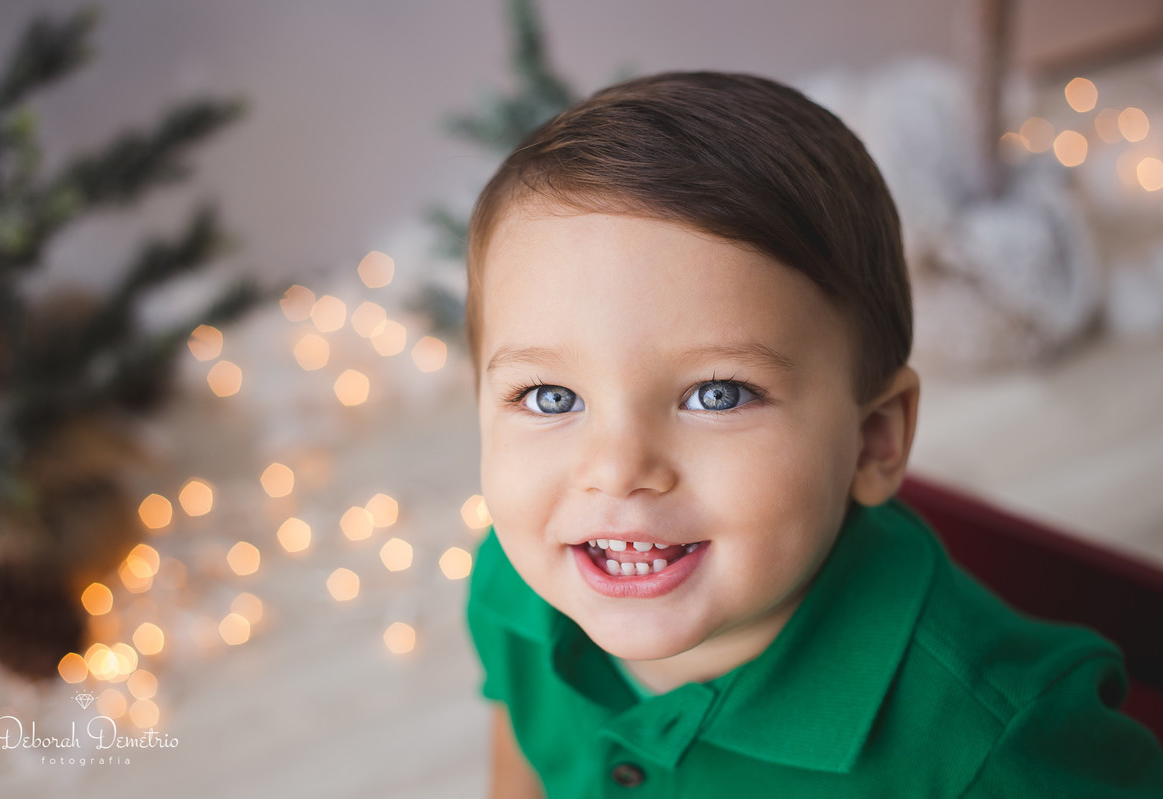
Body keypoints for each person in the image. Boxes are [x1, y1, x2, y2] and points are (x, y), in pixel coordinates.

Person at [463, 71, 1163, 797]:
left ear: (874, 440)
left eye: (717, 393)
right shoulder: (517, 584)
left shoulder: (999, 741)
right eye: (549, 395)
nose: (615, 468)